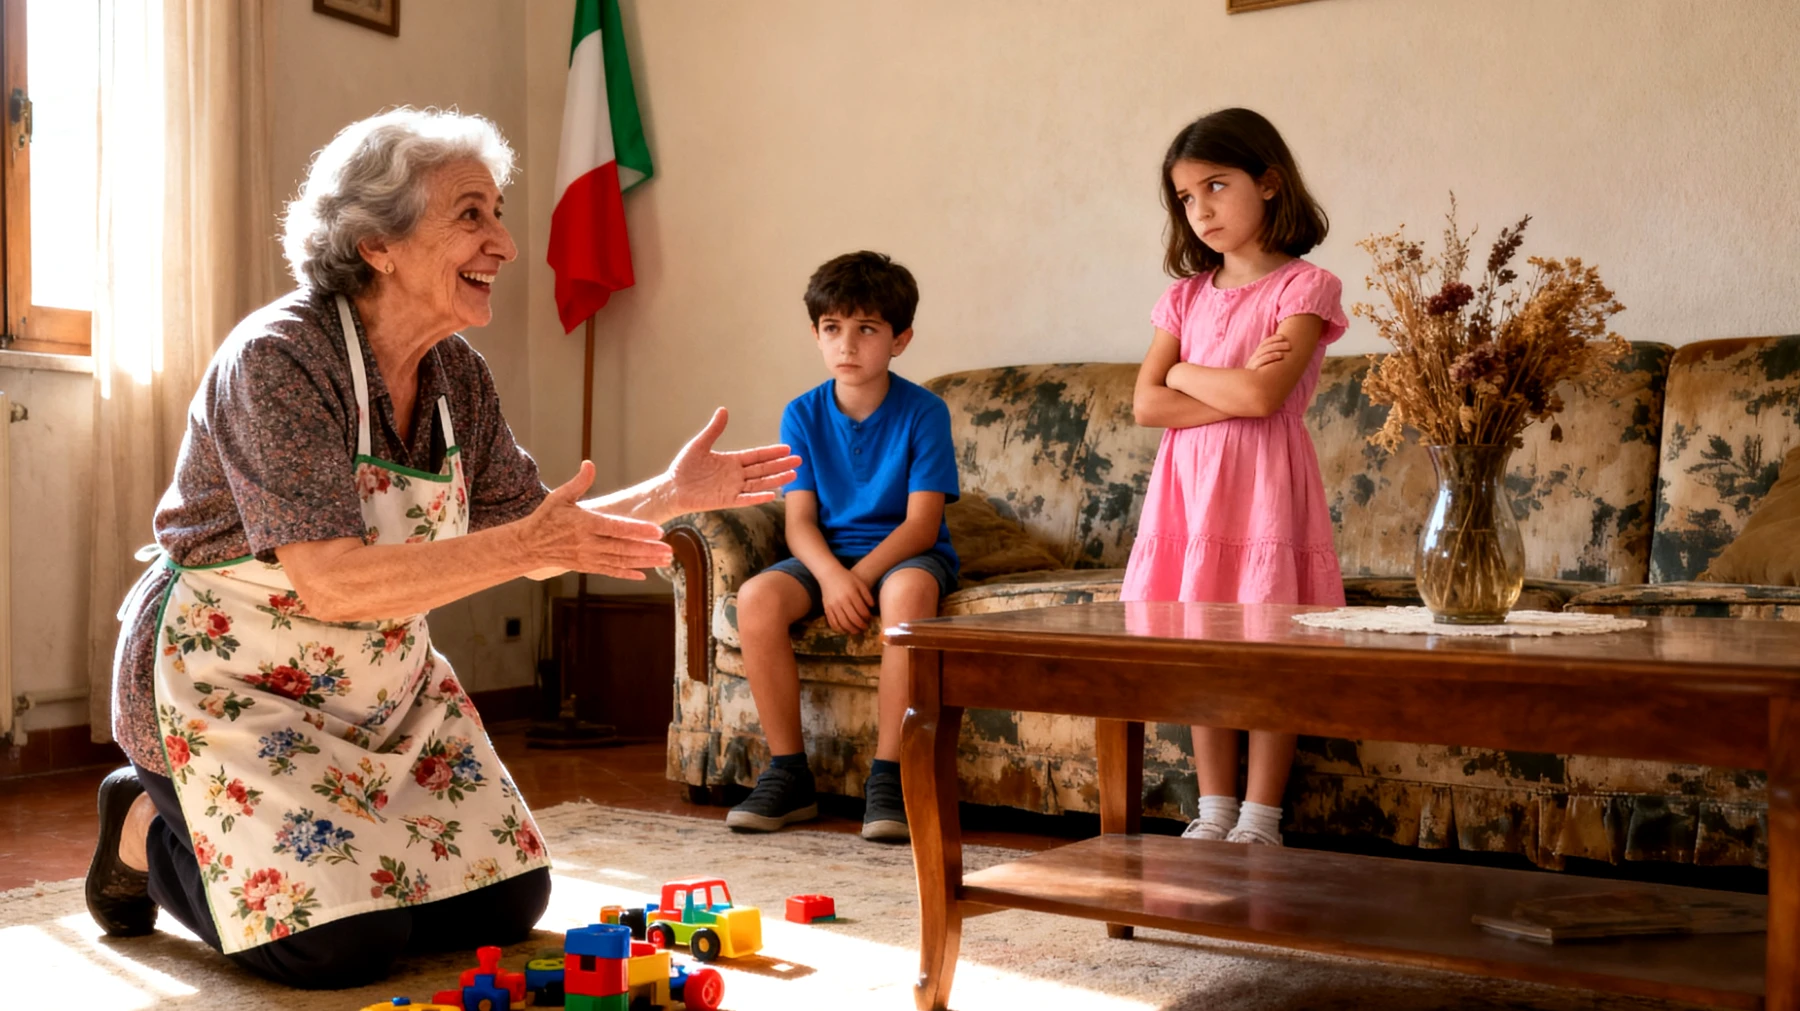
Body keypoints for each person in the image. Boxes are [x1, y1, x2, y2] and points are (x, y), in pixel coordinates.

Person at [84, 107, 798, 988]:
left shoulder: (458, 374)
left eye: (499, 211)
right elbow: (333, 583)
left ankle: (326, 864)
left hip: (381, 685)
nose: (503, 240)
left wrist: (673, 497)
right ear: (377, 243)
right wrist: (529, 541)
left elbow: (537, 534)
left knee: (505, 901)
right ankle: (145, 828)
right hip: (233, 684)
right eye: (472, 214)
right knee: (336, 946)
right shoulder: (278, 359)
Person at [1123, 108, 1348, 847]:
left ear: (1270, 181)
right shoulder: (1184, 297)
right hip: (1188, 494)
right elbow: (1145, 402)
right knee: (1202, 643)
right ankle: (1213, 806)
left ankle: (1260, 816)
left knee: (1267, 641)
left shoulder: (1305, 288)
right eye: (1186, 197)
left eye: (1216, 186)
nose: (1201, 209)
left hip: (1265, 491)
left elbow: (1261, 398)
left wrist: (1185, 369)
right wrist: (1192, 374)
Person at [725, 251, 960, 843]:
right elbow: (799, 522)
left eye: (866, 330)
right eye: (833, 329)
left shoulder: (925, 413)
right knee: (756, 598)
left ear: (900, 339)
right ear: (816, 334)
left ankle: (889, 776)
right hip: (827, 555)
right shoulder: (801, 414)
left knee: (906, 595)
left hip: (904, 553)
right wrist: (833, 577)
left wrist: (863, 577)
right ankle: (789, 772)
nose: (847, 345)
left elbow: (921, 526)